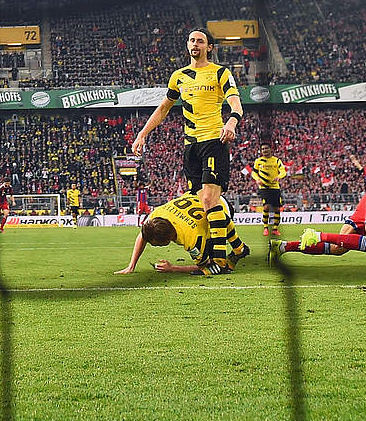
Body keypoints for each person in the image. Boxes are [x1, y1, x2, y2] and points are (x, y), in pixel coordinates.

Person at [132, 29, 243, 257]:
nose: (195, 44)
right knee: (201, 201)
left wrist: (231, 123)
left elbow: (236, 103)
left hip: (214, 140)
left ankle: (219, 258)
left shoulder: (220, 73)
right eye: (192, 40)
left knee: (210, 199)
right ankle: (239, 248)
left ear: (209, 47)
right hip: (190, 146)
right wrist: (142, 133)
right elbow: (163, 109)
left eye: (200, 41)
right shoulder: (178, 76)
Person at [113, 193, 249, 276]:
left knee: (215, 263)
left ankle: (239, 249)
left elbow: (203, 265)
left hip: (221, 209)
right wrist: (131, 265)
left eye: (156, 244)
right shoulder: (157, 215)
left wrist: (173, 268)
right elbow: (143, 235)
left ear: (167, 240)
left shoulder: (192, 238)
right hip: (207, 194)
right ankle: (239, 249)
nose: (154, 246)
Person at [251, 143, 286, 238]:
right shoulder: (258, 161)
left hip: (275, 188)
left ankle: (275, 229)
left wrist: (279, 176)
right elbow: (254, 173)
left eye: (266, 148)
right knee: (266, 207)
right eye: (262, 149)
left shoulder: (276, 160)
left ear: (270, 149)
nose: (264, 150)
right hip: (264, 188)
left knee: (277, 209)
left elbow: (283, 171)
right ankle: (265, 227)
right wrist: (257, 179)